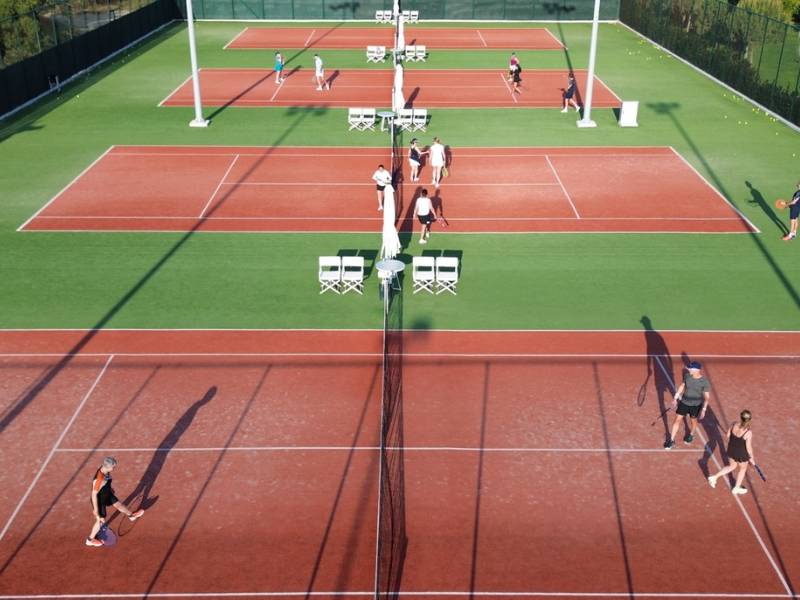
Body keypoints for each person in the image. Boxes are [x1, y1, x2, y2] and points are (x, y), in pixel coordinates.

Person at [86, 457, 144, 547]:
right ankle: (90, 540)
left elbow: (106, 482)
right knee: (100, 520)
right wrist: (96, 509)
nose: (114, 468)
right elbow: (94, 494)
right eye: (113, 467)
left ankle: (131, 516)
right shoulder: (99, 479)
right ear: (108, 467)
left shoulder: (105, 470)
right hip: (99, 500)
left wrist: (109, 489)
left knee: (118, 504)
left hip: (107, 493)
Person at [663, 361, 710, 449]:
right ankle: (671, 440)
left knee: (693, 421)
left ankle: (691, 434)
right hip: (684, 402)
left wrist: (704, 409)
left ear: (696, 370)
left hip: (695, 406)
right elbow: (682, 386)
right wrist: (675, 398)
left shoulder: (704, 381)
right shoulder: (687, 376)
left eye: (690, 369)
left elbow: (707, 397)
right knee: (677, 420)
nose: (688, 370)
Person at [707, 410, 755, 495]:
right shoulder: (748, 432)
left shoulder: (733, 424)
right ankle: (736, 488)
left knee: (732, 466)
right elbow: (748, 447)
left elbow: (727, 435)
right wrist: (752, 458)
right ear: (749, 420)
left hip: (731, 449)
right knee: (743, 469)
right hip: (741, 453)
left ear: (741, 417)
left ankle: (714, 477)